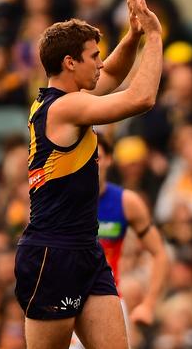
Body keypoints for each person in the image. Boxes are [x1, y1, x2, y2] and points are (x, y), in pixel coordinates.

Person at [14, 0, 163, 349]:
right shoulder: (65, 108)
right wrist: (156, 38)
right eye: (93, 56)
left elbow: (111, 72)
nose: (100, 63)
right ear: (69, 63)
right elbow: (141, 98)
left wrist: (133, 36)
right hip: (53, 253)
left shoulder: (69, 101)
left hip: (86, 250)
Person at [70, 137, 169, 348]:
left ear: (109, 160)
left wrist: (149, 304)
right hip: (70, 301)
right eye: (84, 158)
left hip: (110, 299)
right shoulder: (62, 202)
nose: (91, 164)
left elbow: (159, 253)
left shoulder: (126, 202)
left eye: (97, 157)